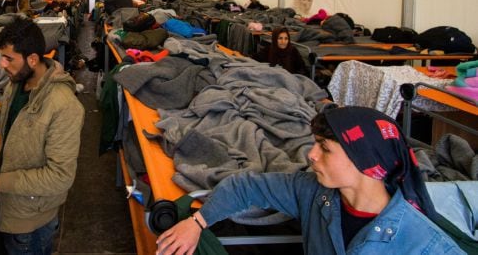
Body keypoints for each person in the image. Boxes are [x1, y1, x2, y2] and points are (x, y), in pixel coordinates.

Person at [155, 106, 462, 255]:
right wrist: (196, 223)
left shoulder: (424, 244)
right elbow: (245, 186)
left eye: (324, 149)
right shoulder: (314, 192)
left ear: (367, 162)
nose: (311, 155)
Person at [0, 17, 84, 255]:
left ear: (32, 59)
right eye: (1, 57)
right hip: (9, 204)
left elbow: (61, 177)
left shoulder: (64, 105)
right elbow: (3, 125)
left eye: (9, 58)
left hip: (30, 218)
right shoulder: (16, 84)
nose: (2, 64)